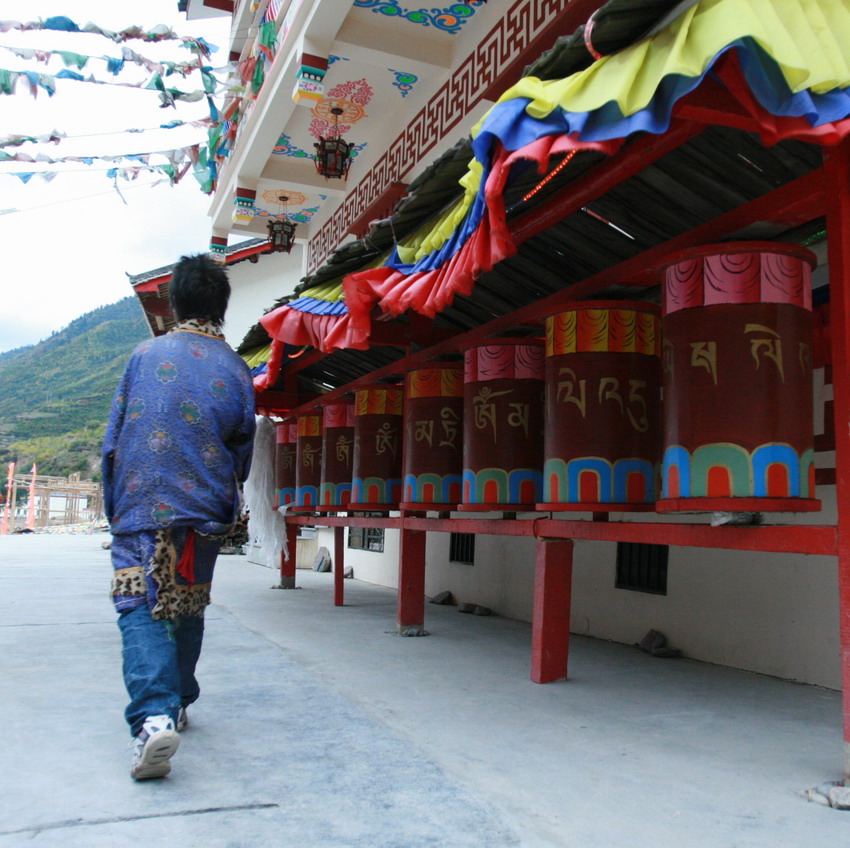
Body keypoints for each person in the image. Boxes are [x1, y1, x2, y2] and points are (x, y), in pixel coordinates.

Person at [102, 253, 256, 780]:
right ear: (222, 307)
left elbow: (114, 437)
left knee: (141, 605)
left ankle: (154, 718)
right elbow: (242, 451)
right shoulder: (237, 368)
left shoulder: (145, 354)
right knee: (187, 601)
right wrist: (226, 507)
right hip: (204, 509)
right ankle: (182, 699)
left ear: (174, 304)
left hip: (142, 501)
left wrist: (114, 504)